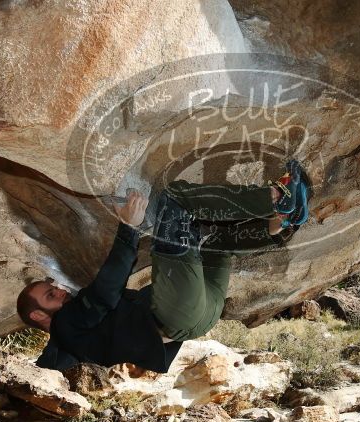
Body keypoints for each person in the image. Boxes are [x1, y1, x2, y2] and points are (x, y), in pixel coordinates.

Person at [16, 160, 311, 373]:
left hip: (200, 314)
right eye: (50, 295)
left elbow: (62, 355)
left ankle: (277, 228)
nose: (60, 291)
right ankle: (275, 199)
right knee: (174, 200)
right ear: (38, 314)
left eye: (52, 288)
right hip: (178, 314)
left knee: (215, 243)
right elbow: (105, 292)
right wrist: (128, 228)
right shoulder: (66, 325)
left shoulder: (76, 339)